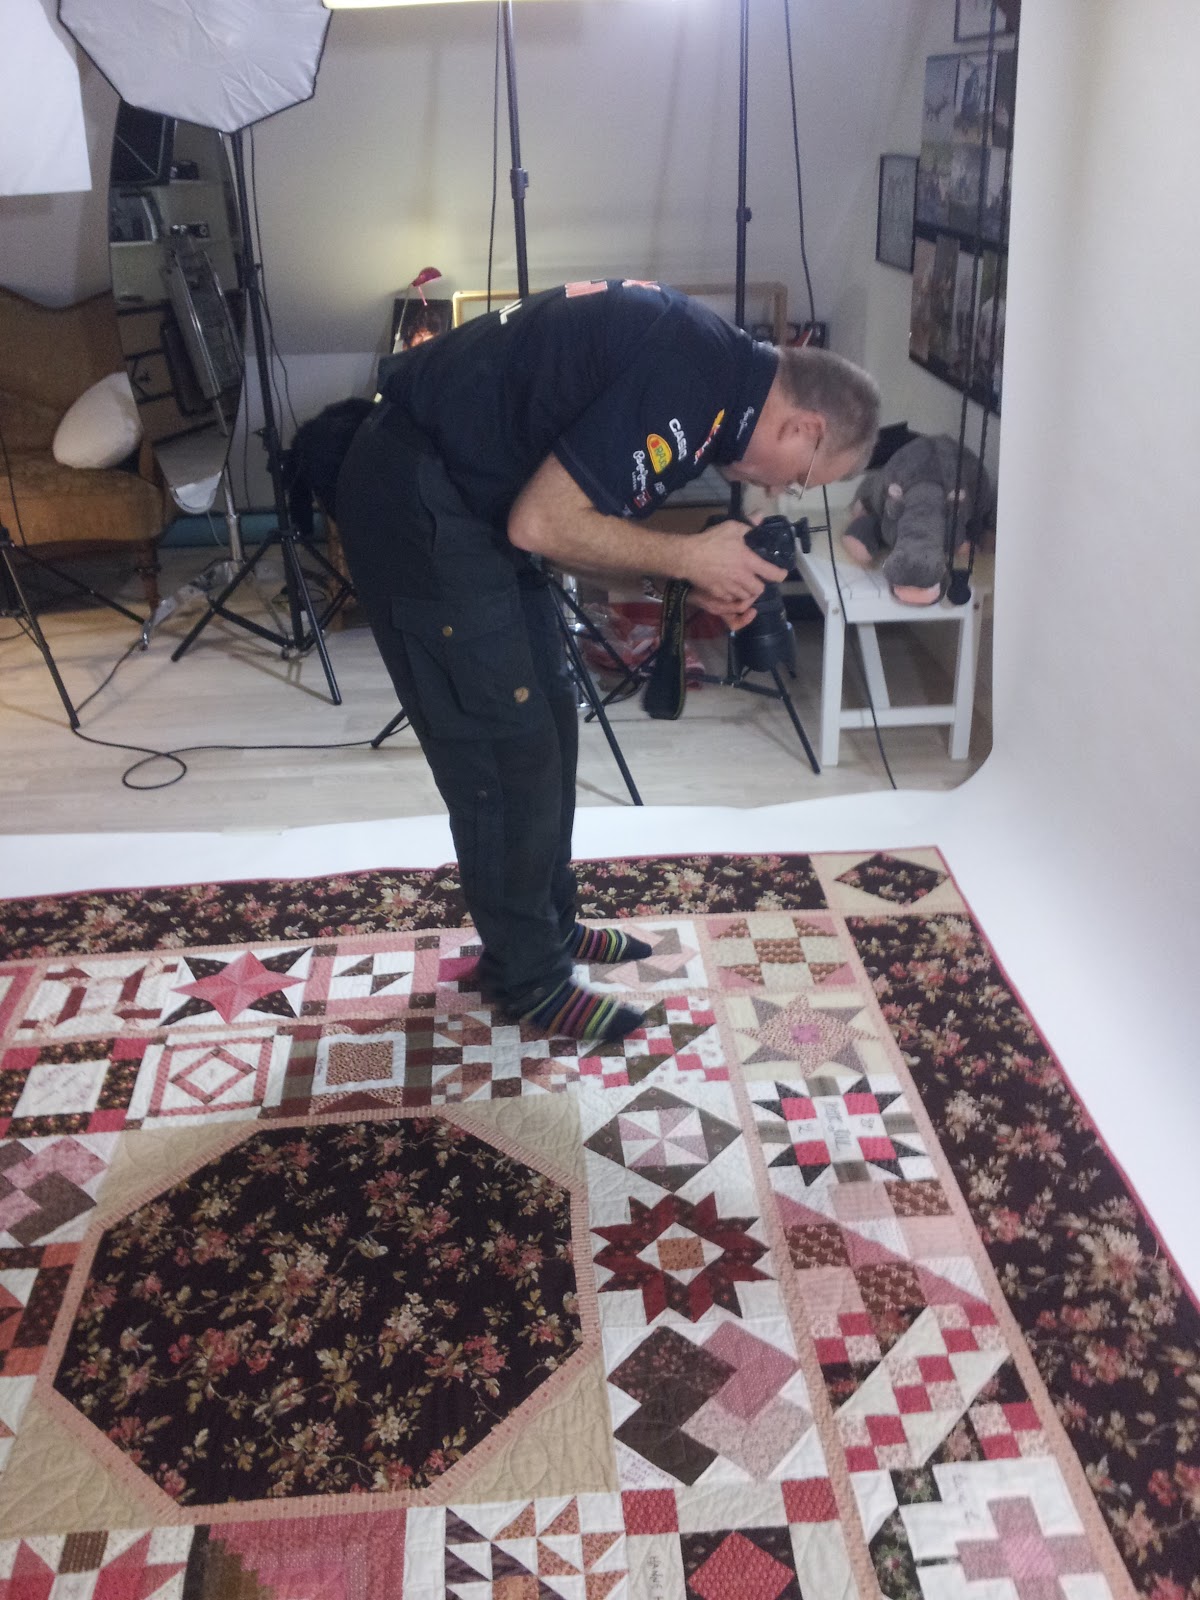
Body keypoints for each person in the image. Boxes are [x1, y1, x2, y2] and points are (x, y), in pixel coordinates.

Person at [335, 278, 880, 1045]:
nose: (779, 492)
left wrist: (686, 575)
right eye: (797, 478)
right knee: (504, 749)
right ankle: (528, 977)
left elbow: (575, 525)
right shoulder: (690, 380)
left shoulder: (711, 388)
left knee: (553, 716)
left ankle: (549, 928)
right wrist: (688, 556)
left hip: (472, 495)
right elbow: (541, 524)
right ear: (804, 426)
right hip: (418, 499)